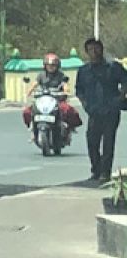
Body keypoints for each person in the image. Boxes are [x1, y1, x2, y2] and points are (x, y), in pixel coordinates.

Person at [76, 38, 127, 183]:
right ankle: (95, 170)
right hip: (94, 111)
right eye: (90, 49)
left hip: (111, 110)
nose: (94, 52)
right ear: (86, 52)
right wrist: (85, 105)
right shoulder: (83, 71)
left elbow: (125, 81)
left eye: (96, 48)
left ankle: (105, 173)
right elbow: (79, 90)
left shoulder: (113, 67)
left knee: (108, 143)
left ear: (102, 49)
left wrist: (121, 96)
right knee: (92, 142)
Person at [21, 52, 82, 139]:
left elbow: (65, 85)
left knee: (68, 110)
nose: (51, 67)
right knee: (27, 112)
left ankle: (68, 128)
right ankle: (33, 129)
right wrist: (29, 93)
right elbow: (34, 84)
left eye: (53, 65)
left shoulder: (61, 75)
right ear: (45, 66)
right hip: (43, 100)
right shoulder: (41, 75)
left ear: (57, 66)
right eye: (48, 65)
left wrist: (66, 91)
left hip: (58, 100)